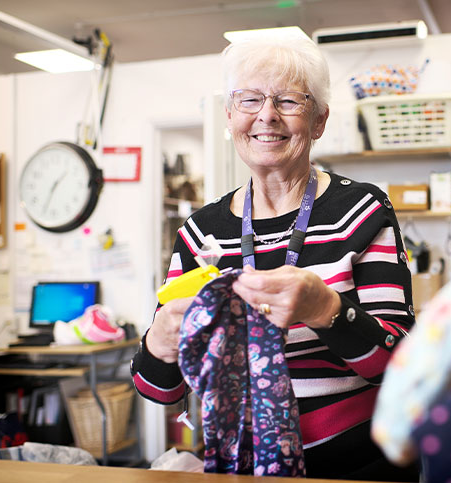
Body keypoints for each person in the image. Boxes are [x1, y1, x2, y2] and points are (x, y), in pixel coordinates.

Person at [130, 33, 418, 480]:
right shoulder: (200, 233)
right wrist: (162, 338)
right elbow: (159, 391)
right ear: (229, 116)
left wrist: (325, 309)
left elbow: (404, 364)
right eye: (249, 100)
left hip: (358, 466)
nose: (266, 115)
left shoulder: (361, 211)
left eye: (288, 100)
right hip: (239, 467)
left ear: (319, 120)